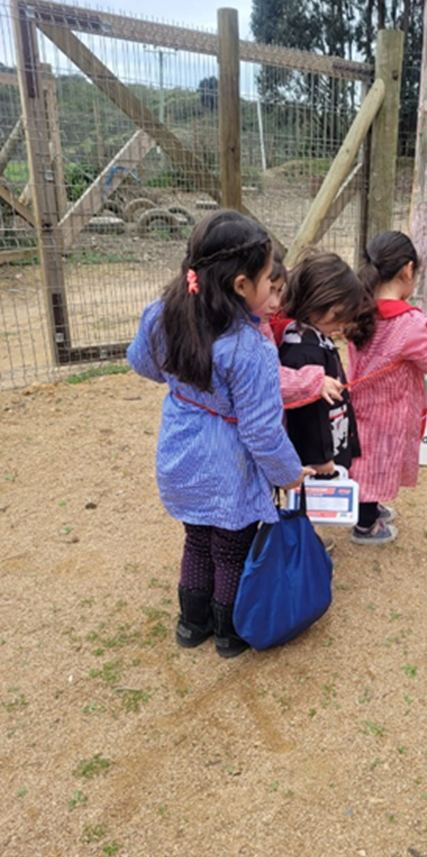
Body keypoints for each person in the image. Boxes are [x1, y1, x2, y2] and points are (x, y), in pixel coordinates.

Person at [127, 210, 311, 658]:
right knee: (231, 548)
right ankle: (229, 633)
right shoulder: (251, 348)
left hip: (181, 453)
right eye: (267, 280)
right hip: (230, 468)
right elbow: (262, 431)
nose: (272, 290)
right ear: (241, 285)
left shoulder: (162, 313)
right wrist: (289, 474)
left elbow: (142, 362)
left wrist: (186, 390)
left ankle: (192, 625)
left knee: (196, 538)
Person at [348, 231, 427, 544]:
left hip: (360, 406)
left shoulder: (359, 308)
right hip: (390, 411)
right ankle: (365, 525)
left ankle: (367, 508)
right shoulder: (408, 323)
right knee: (376, 464)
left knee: (364, 461)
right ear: (408, 270)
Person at [278, 251, 372, 476]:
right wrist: (320, 459)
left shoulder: (316, 336)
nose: (342, 323)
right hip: (315, 465)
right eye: (338, 314)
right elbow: (308, 414)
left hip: (333, 438)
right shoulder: (303, 351)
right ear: (316, 301)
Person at [254, 251, 344, 409]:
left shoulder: (262, 322)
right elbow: (260, 380)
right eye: (269, 290)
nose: (275, 304)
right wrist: (314, 382)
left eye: (279, 291)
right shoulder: (239, 339)